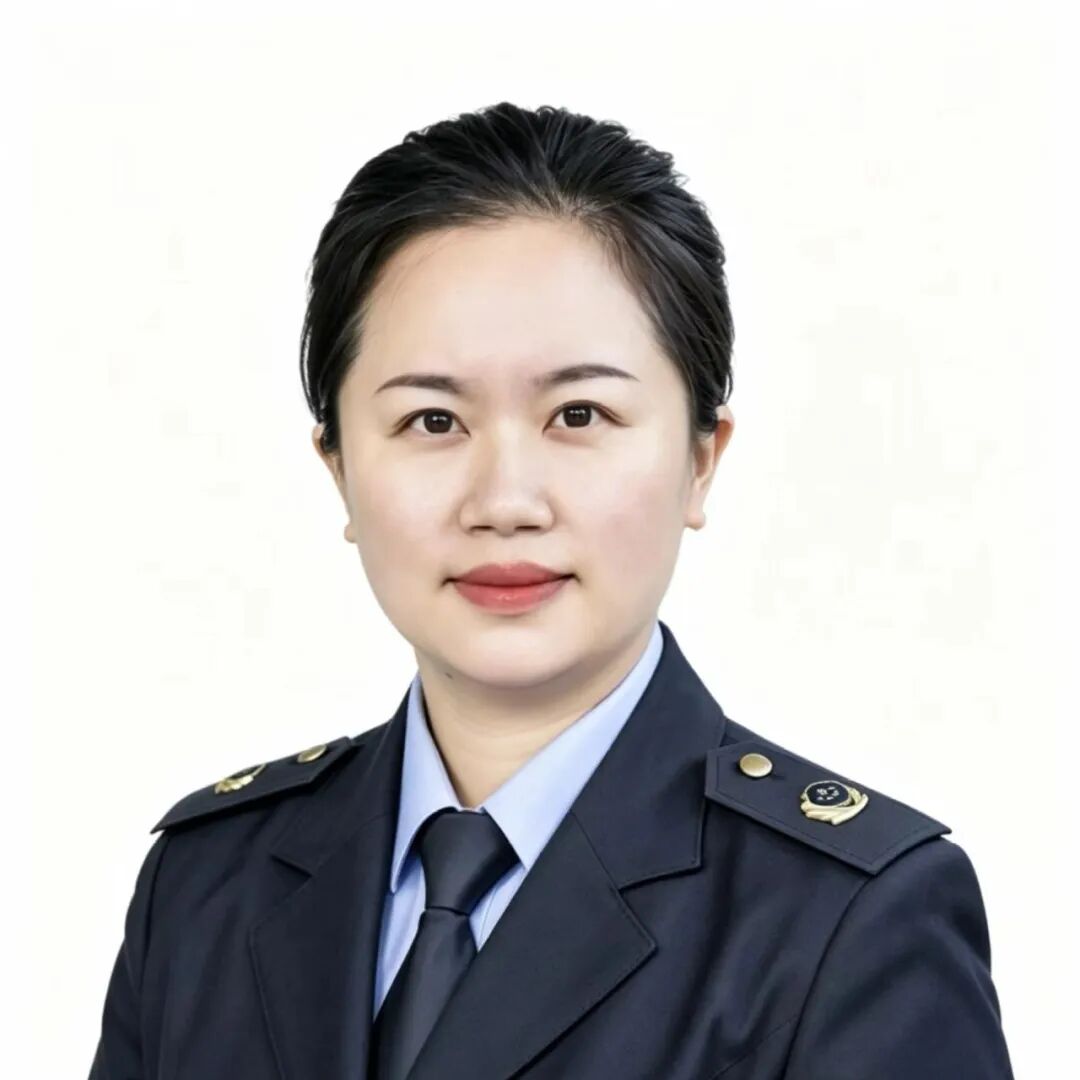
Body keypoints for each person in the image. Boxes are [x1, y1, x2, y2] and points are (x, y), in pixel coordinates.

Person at [89, 102, 1014, 1079]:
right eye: (433, 421)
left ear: (701, 459)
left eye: (579, 414)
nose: (505, 502)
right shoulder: (206, 885)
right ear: (339, 469)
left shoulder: (849, 920)